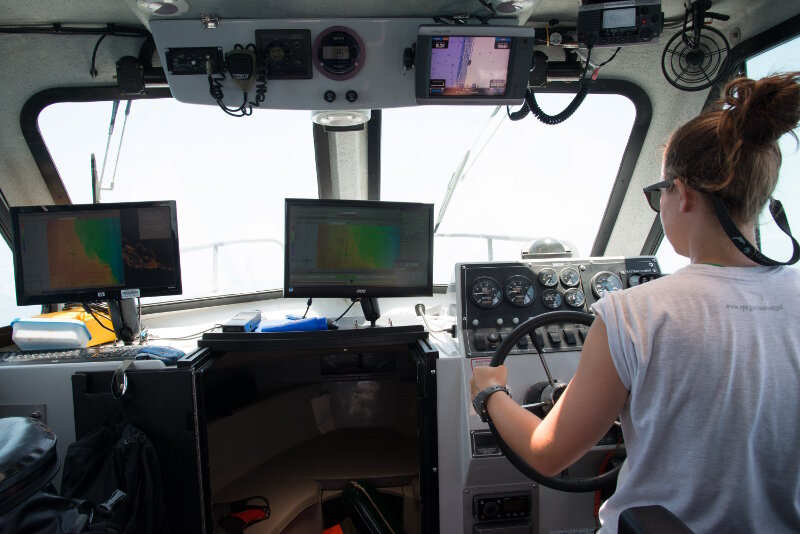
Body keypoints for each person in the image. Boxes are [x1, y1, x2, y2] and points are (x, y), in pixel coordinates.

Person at [470, 72, 800, 533]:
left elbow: (548, 452)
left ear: (681, 194)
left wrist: (489, 393)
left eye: (656, 193)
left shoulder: (633, 313)